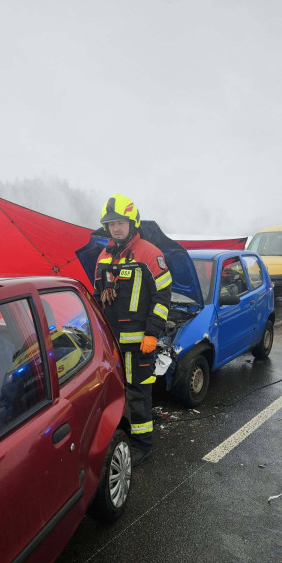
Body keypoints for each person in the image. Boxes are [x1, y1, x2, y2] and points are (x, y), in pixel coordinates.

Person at [94, 194, 172, 466]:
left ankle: (142, 444)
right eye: (111, 223)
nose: (116, 228)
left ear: (132, 223)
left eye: (121, 222)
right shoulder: (104, 256)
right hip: (111, 344)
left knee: (138, 394)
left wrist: (152, 334)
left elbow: (162, 299)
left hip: (140, 344)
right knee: (116, 392)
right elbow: (97, 295)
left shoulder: (150, 254)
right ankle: (123, 434)